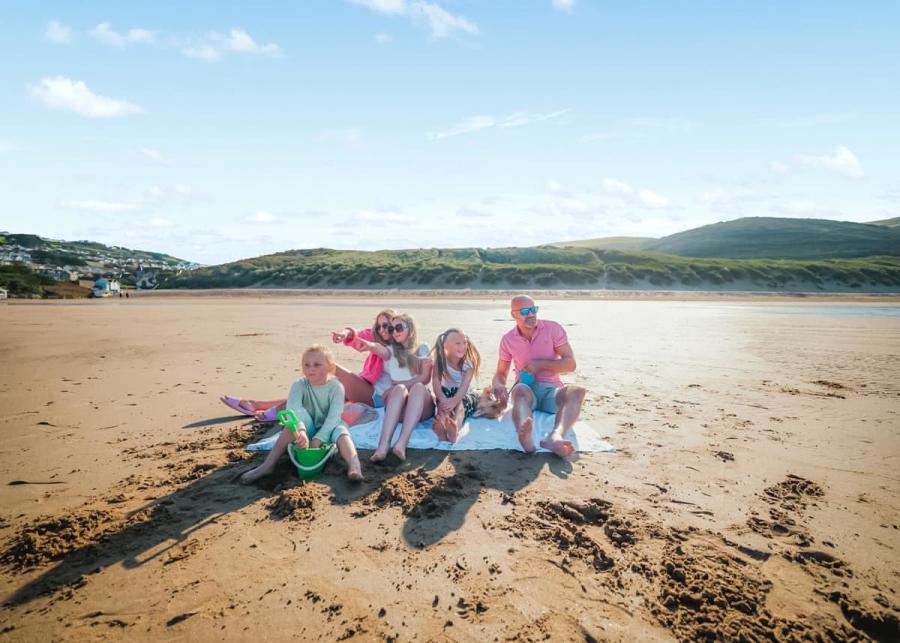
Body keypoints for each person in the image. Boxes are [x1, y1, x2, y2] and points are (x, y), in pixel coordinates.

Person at [220, 309, 397, 422]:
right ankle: (258, 404)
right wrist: (345, 334)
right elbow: (358, 333)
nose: (382, 330)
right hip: (365, 387)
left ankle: (274, 411)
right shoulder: (376, 336)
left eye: (387, 326)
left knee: (329, 367)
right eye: (379, 326)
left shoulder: (396, 346)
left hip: (377, 398)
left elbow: (378, 348)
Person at [240, 344, 363, 483]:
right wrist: (300, 429)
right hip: (306, 427)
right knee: (289, 427)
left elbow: (334, 416)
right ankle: (267, 465)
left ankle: (354, 464)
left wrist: (319, 438)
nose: (311, 369)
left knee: (342, 433)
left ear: (330, 367)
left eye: (317, 365)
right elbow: (294, 408)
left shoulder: (336, 387)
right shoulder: (299, 385)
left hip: (329, 428)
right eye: (307, 365)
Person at [491, 295, 586, 459]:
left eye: (533, 309)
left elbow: (570, 364)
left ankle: (555, 436)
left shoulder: (553, 328)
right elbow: (500, 374)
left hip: (552, 391)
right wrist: (499, 386)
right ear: (513, 315)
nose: (531, 314)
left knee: (577, 391)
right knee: (520, 391)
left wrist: (540, 364)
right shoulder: (507, 339)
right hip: (526, 390)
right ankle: (525, 438)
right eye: (525, 311)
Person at [354, 313, 433, 462]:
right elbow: (379, 349)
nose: (395, 331)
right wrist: (369, 346)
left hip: (420, 405)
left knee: (416, 387)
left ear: (410, 328)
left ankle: (401, 444)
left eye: (399, 327)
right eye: (392, 329)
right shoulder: (391, 350)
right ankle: (383, 446)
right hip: (400, 405)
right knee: (399, 389)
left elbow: (425, 377)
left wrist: (403, 384)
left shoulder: (422, 348)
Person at [431, 328, 481, 443]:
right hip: (446, 394)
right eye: (457, 343)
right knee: (443, 408)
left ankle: (455, 428)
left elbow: (463, 388)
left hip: (464, 395)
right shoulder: (440, 361)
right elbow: (436, 382)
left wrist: (454, 400)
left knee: (460, 406)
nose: (462, 346)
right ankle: (442, 426)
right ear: (445, 345)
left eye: (464, 342)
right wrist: (442, 399)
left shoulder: (468, 364)